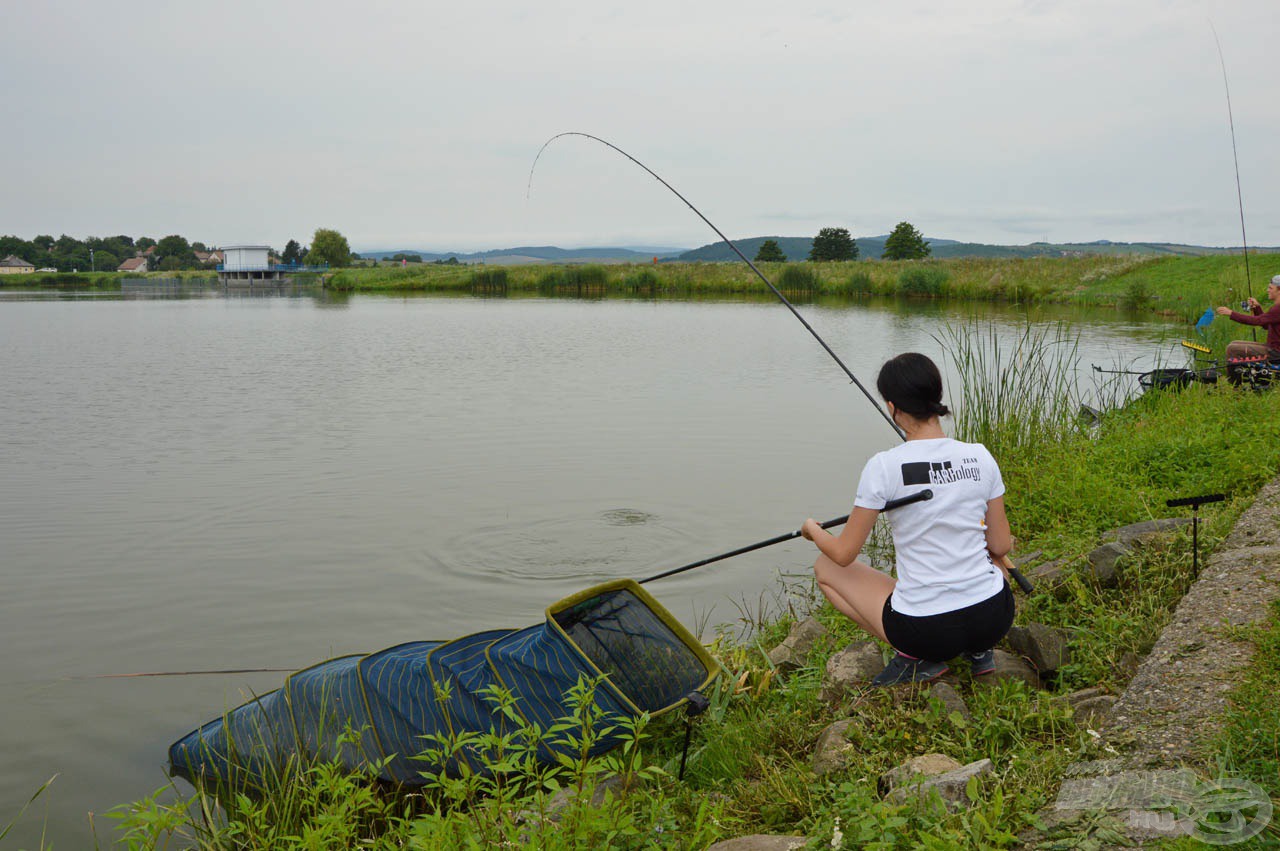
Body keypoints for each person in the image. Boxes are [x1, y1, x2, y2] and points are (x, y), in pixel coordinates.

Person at [800, 352, 1014, 686]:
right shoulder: (980, 456)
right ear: (936, 396)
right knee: (997, 562)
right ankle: (979, 652)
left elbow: (843, 555)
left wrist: (813, 530)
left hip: (927, 632)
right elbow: (1001, 544)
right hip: (994, 618)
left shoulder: (884, 466)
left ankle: (916, 657)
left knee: (825, 568)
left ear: (891, 407)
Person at [1215, 275, 1280, 361]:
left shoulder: (1277, 308)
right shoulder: (1276, 308)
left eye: (1270, 288)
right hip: (1272, 348)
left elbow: (1257, 321)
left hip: (1275, 352)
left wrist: (1231, 313)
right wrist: (1257, 308)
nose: (1267, 290)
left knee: (1232, 349)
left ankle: (1233, 375)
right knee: (1233, 343)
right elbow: (1266, 326)